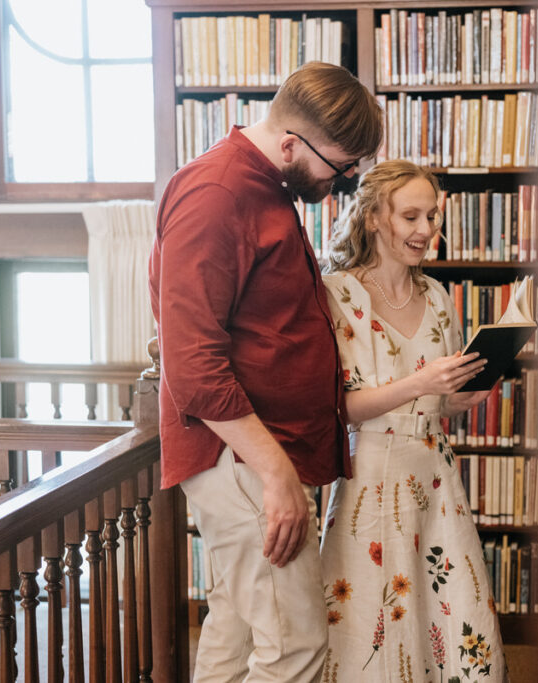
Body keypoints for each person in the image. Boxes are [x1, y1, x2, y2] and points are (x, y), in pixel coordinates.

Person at [148, 61, 384, 682]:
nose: (344, 181)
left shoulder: (264, 188)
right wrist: (276, 472)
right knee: (296, 648)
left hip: (265, 455)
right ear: (289, 143)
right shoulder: (217, 193)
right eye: (340, 166)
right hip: (248, 457)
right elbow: (194, 363)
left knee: (234, 630)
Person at [319, 160, 509, 680]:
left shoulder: (439, 298)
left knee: (449, 607)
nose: (426, 231)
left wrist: (457, 398)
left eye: (433, 217)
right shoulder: (338, 295)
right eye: (410, 217)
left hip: (434, 474)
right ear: (375, 217)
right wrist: (422, 384)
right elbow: (344, 408)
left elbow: (437, 401)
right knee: (368, 618)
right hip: (370, 477)